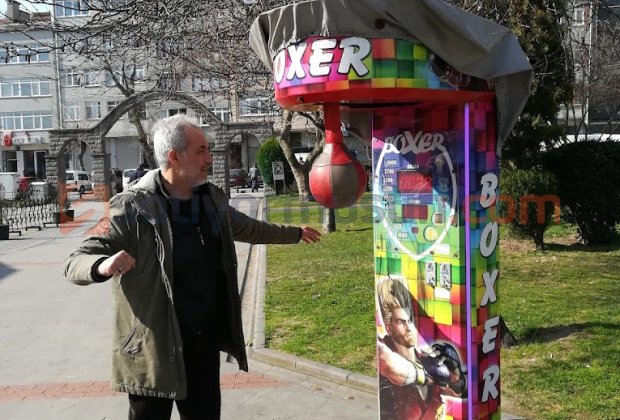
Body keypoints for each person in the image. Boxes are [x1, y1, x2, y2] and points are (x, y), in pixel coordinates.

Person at [63, 114, 321, 420]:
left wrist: (294, 234)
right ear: (175, 157)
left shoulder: (210, 200)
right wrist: (102, 265)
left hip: (202, 344)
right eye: (201, 150)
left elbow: (248, 228)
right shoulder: (131, 206)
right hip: (153, 350)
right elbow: (76, 259)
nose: (209, 158)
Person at [376, 277, 466, 420]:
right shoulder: (384, 350)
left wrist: (456, 376)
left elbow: (461, 394)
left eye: (410, 320)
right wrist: (426, 375)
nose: (409, 327)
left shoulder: (428, 360)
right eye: (401, 322)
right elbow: (389, 365)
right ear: (388, 327)